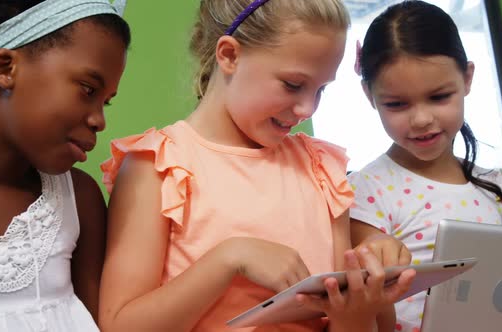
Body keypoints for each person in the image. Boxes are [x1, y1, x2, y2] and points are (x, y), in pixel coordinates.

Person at [99, 0, 415, 331]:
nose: (308, 109)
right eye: (293, 85)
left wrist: (364, 302)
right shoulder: (157, 166)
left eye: (321, 90)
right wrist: (230, 258)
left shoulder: (322, 170)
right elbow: (121, 324)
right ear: (229, 55)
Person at [0, 1, 130, 331]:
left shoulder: (79, 200)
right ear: (6, 68)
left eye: (104, 101)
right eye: (88, 89)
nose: (99, 120)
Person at [348, 1, 502, 331]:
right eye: (397, 104)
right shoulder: (364, 190)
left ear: (467, 78)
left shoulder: (493, 185)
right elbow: (371, 307)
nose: (422, 119)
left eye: (439, 97)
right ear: (369, 94)